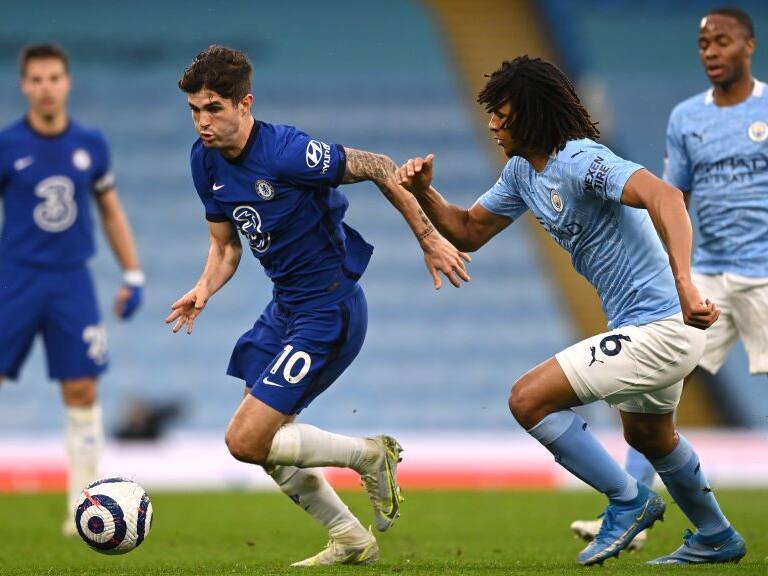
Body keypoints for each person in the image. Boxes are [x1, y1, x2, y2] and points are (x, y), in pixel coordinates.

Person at [395, 55, 746, 566]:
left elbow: (664, 195)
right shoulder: (521, 173)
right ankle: (717, 536)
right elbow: (469, 230)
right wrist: (425, 193)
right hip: (642, 324)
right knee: (649, 435)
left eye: (503, 113)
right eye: (491, 112)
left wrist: (687, 285)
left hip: (667, 324)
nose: (492, 123)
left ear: (532, 113)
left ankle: (629, 502)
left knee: (527, 400)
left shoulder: (580, 160)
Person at [166, 45, 470, 567]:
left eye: (213, 108)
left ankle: (371, 456)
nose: (202, 121)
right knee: (259, 437)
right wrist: (203, 288)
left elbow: (378, 166)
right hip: (284, 307)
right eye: (195, 109)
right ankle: (351, 538)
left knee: (245, 440)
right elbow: (225, 247)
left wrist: (426, 236)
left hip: (329, 309)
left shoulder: (286, 151)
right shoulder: (204, 160)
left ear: (245, 104)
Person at [571, 6, 767, 555]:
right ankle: (629, 511)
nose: (710, 51)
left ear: (748, 46)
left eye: (722, 41)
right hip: (708, 273)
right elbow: (670, 196)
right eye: (703, 43)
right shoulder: (686, 118)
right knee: (653, 392)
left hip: (766, 271)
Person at [0, 44, 144, 535]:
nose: (46, 87)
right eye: (36, 79)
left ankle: (84, 511)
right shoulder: (6, 144)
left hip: (71, 281)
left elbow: (110, 210)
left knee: (82, 389)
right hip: (14, 277)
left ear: (67, 82)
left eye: (54, 77)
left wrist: (133, 273)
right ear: (24, 85)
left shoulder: (91, 143)